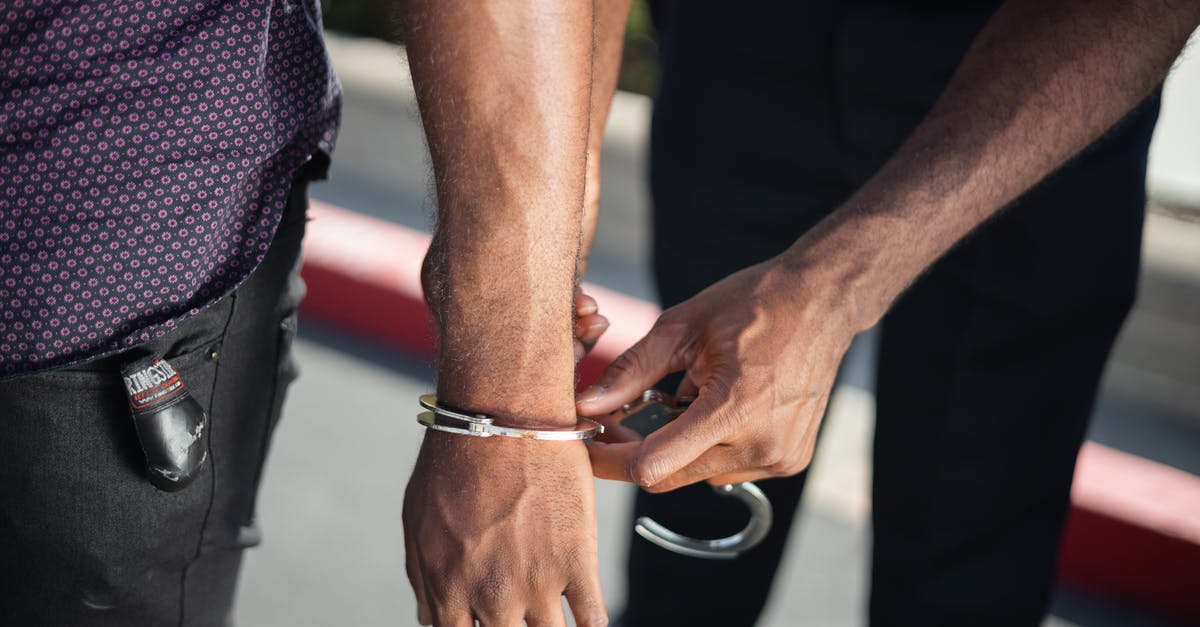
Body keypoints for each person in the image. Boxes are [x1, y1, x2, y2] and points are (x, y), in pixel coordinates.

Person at [397, 1, 1200, 626]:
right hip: (737, 57)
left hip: (1030, 94)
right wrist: (561, 172)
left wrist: (833, 288)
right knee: (689, 528)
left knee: (965, 581)